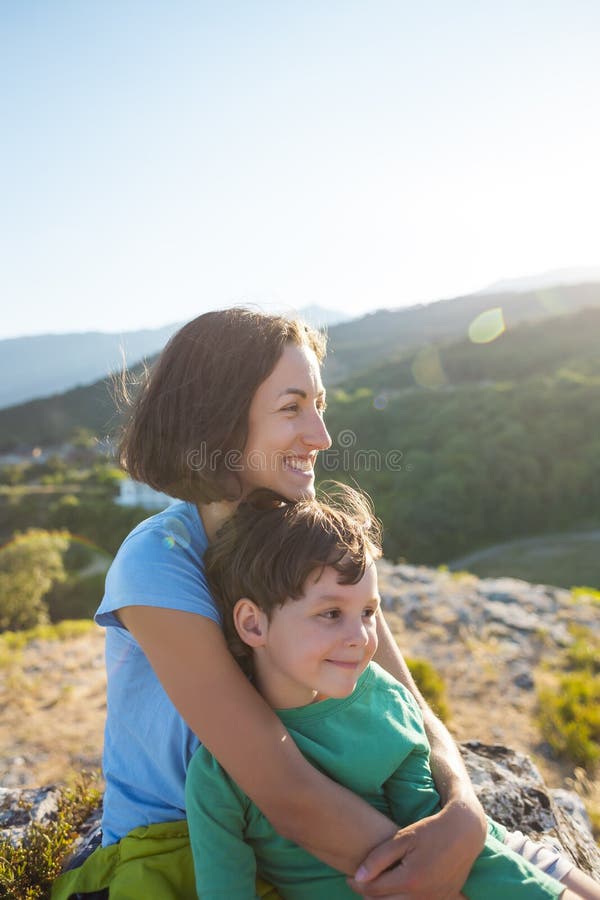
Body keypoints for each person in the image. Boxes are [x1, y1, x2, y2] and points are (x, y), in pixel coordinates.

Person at [54, 307, 506, 899]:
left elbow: (406, 704)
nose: (320, 436)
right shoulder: (158, 563)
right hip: (187, 848)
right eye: (292, 408)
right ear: (215, 424)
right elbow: (282, 787)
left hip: (322, 829)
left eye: (320, 406)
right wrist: (455, 873)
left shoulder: (304, 544)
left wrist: (467, 814)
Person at [186, 485, 598, 900]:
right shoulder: (219, 773)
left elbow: (446, 848)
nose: (361, 637)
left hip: (474, 868)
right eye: (331, 613)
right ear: (254, 625)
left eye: (368, 612)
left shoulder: (382, 703)